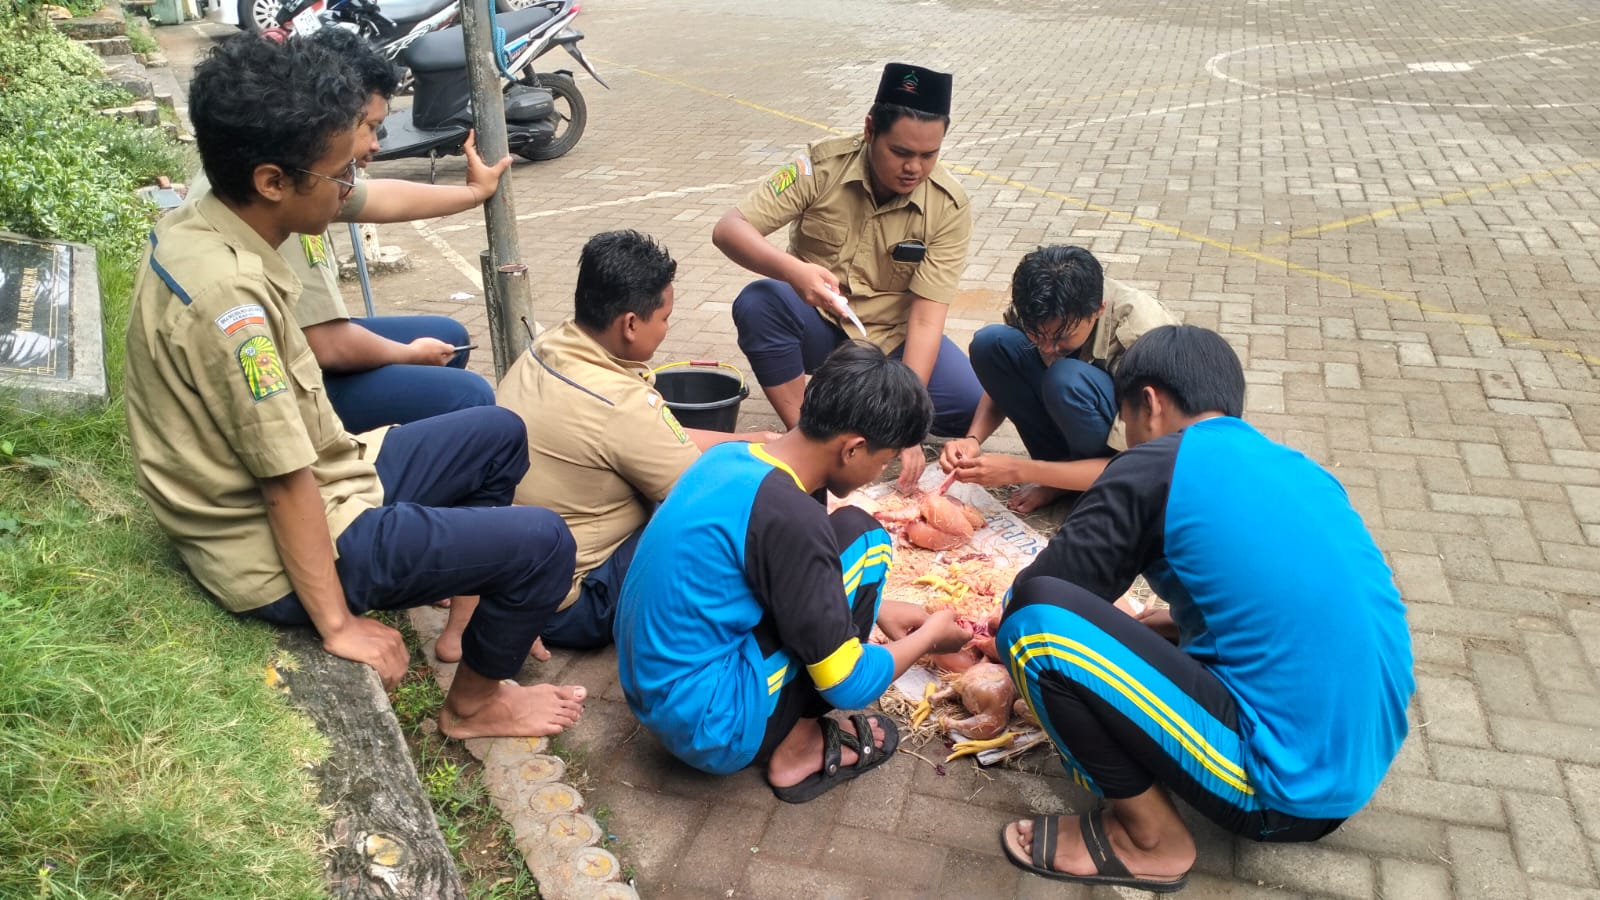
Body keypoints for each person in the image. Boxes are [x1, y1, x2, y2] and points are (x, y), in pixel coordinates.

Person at [124, 34, 585, 739]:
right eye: (341, 175)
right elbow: (283, 481)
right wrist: (338, 623)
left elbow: (296, 454)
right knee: (546, 544)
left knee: (498, 432)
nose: (351, 186)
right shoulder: (231, 304)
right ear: (275, 180)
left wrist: (467, 191)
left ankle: (472, 625)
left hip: (330, 474)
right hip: (274, 550)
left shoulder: (212, 215)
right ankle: (472, 707)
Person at [994, 325, 1414, 891]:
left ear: (1150, 402)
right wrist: (1168, 622)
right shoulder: (1301, 469)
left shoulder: (1152, 467)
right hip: (1357, 763)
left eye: (1128, 423)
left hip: (1282, 788)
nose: (1130, 440)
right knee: (1150, 623)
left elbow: (1043, 591)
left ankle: (1149, 840)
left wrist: (994, 627)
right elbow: (1272, 598)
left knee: (1033, 627)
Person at [613, 341, 973, 802]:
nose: (878, 472)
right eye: (882, 461)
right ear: (854, 448)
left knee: (842, 533)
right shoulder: (792, 519)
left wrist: (879, 606)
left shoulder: (735, 457)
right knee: (865, 541)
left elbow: (779, 569)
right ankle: (797, 746)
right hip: (711, 727)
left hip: (652, 691)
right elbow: (849, 684)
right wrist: (928, 637)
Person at [436, 230, 777, 658]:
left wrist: (749, 439)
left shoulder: (554, 343)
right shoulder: (621, 403)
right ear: (631, 324)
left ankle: (473, 604)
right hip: (569, 605)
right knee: (715, 532)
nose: (668, 329)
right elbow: (701, 496)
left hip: (504, 561)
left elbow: (656, 436)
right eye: (665, 317)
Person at [190, 27, 505, 431]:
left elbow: (377, 198)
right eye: (369, 126)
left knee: (446, 335)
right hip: (293, 381)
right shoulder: (281, 204)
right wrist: (410, 355)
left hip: (295, 348)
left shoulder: (293, 170)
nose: (376, 144)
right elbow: (327, 346)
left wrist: (475, 193)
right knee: (471, 395)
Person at [713, 62, 980, 491]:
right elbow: (729, 229)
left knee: (965, 407)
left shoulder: (948, 205)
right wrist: (794, 271)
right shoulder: (820, 168)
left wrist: (905, 427)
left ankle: (866, 409)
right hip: (821, 326)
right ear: (871, 129)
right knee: (760, 302)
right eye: (901, 152)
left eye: (928, 155)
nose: (914, 167)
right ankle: (807, 436)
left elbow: (927, 320)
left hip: (891, 340)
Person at [938, 245, 1178, 513]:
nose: (1048, 348)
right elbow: (1002, 385)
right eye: (1037, 336)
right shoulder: (1037, 312)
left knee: (1065, 378)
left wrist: (1019, 471)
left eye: (1062, 337)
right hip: (1077, 431)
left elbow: (1143, 462)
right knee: (991, 344)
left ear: (1098, 309)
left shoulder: (1141, 335)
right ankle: (1060, 471)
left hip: (1130, 462)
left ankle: (1066, 483)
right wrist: (972, 439)